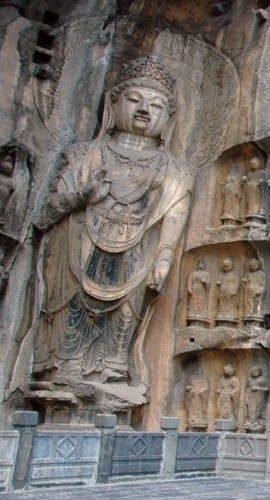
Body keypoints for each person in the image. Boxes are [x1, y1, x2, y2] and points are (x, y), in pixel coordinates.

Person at [30, 56, 192, 388]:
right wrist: (80, 196)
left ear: (169, 118)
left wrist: (163, 260)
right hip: (78, 242)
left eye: (156, 106)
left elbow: (173, 220)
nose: (144, 110)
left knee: (127, 310)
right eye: (134, 100)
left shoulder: (176, 171)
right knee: (72, 303)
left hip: (136, 249)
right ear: (113, 104)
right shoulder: (82, 155)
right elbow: (43, 216)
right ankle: (65, 365)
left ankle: (114, 365)